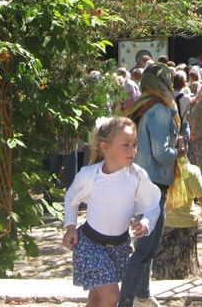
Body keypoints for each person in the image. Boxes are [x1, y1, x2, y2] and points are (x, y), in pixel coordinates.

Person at [63, 117, 162, 307]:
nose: (132, 151)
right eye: (125, 145)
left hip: (119, 247)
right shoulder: (89, 175)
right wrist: (70, 227)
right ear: (105, 148)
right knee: (111, 297)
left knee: (97, 297)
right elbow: (70, 198)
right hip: (91, 245)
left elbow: (152, 205)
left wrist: (146, 224)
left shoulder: (137, 175)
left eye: (134, 145)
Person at [119, 63, 187, 307]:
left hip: (136, 180)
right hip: (154, 183)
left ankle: (142, 295)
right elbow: (162, 153)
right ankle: (125, 301)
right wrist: (179, 150)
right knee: (145, 249)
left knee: (142, 243)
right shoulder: (159, 110)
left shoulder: (140, 106)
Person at [151, 157, 202, 280]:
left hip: (164, 222)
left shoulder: (159, 171)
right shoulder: (193, 171)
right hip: (187, 223)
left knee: (162, 260)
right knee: (182, 262)